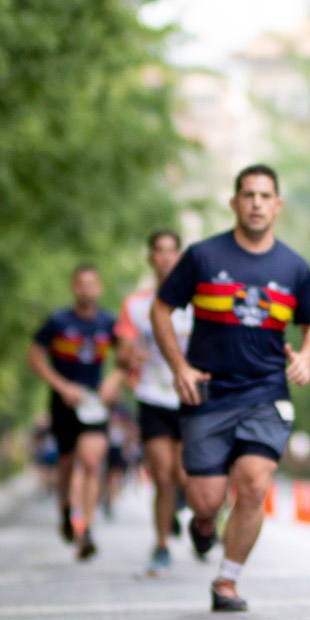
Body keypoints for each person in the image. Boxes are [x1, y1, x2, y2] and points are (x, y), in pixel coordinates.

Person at [151, 164, 310, 612]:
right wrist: (180, 367)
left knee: (252, 484)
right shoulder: (203, 257)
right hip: (208, 393)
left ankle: (227, 581)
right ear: (234, 203)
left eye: (265, 196)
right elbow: (161, 308)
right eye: (247, 195)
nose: (255, 203)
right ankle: (204, 523)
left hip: (266, 393)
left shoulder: (294, 266)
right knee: (205, 499)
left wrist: (306, 357)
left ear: (277, 205)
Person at [27, 263, 121, 561]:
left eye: (92, 283)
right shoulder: (57, 321)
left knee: (92, 462)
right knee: (67, 463)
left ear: (100, 287)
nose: (86, 289)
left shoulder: (109, 322)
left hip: (95, 403)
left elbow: (126, 357)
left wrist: (113, 381)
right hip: (65, 403)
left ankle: (88, 529)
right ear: (73, 287)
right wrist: (62, 386)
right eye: (81, 283)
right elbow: (35, 358)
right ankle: (66, 510)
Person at [114, 228, 194, 575]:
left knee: (185, 475)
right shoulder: (136, 304)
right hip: (152, 396)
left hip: (191, 396)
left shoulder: (197, 302)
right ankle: (161, 545)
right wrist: (132, 356)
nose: (165, 258)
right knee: (162, 475)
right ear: (150, 257)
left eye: (172, 251)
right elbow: (121, 356)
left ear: (180, 257)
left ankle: (197, 518)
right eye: (159, 251)